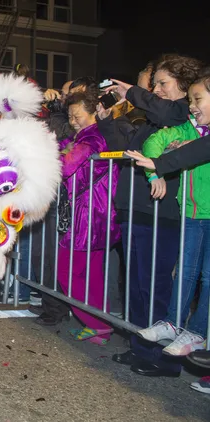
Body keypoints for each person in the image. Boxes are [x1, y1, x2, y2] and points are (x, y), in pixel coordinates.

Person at [97, 55, 202, 377]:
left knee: (156, 287)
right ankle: (140, 346)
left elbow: (167, 111)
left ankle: (164, 359)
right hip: (136, 211)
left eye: (162, 84)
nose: (156, 91)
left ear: (185, 87)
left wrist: (134, 92)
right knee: (137, 285)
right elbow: (125, 148)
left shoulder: (183, 113)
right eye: (153, 85)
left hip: (161, 213)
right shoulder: (152, 123)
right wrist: (105, 121)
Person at [57, 91, 120, 345]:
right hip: (97, 213)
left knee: (67, 271)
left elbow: (67, 166)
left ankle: (96, 324)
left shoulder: (93, 137)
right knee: (91, 274)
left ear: (93, 111)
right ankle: (99, 324)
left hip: (88, 215)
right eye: (70, 116)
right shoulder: (86, 136)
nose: (73, 120)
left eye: (78, 115)